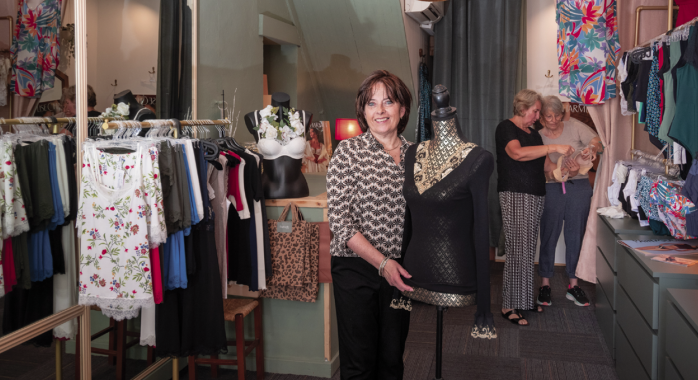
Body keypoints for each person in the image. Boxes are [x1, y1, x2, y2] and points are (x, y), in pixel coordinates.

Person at [327, 69, 413, 379]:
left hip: (400, 271)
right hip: (355, 268)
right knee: (359, 362)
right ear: (363, 111)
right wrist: (383, 263)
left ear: (402, 109)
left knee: (392, 358)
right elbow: (340, 221)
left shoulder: (416, 155)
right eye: (371, 103)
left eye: (388, 102)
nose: (380, 111)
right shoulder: (347, 153)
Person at [495, 89, 574, 326]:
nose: (538, 116)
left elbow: (547, 167)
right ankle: (509, 305)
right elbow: (517, 154)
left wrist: (566, 168)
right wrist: (554, 147)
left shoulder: (534, 135)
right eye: (536, 111)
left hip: (535, 196)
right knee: (517, 249)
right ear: (522, 108)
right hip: (515, 195)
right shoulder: (506, 128)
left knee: (527, 251)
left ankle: (524, 300)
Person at [537, 95, 603, 307]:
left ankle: (573, 285)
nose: (554, 120)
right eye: (549, 116)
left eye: (557, 115)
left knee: (576, 236)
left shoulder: (574, 126)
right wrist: (564, 171)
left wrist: (591, 149)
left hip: (579, 189)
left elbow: (597, 142)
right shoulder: (537, 136)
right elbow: (540, 170)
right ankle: (545, 284)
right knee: (549, 234)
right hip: (551, 188)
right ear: (541, 117)